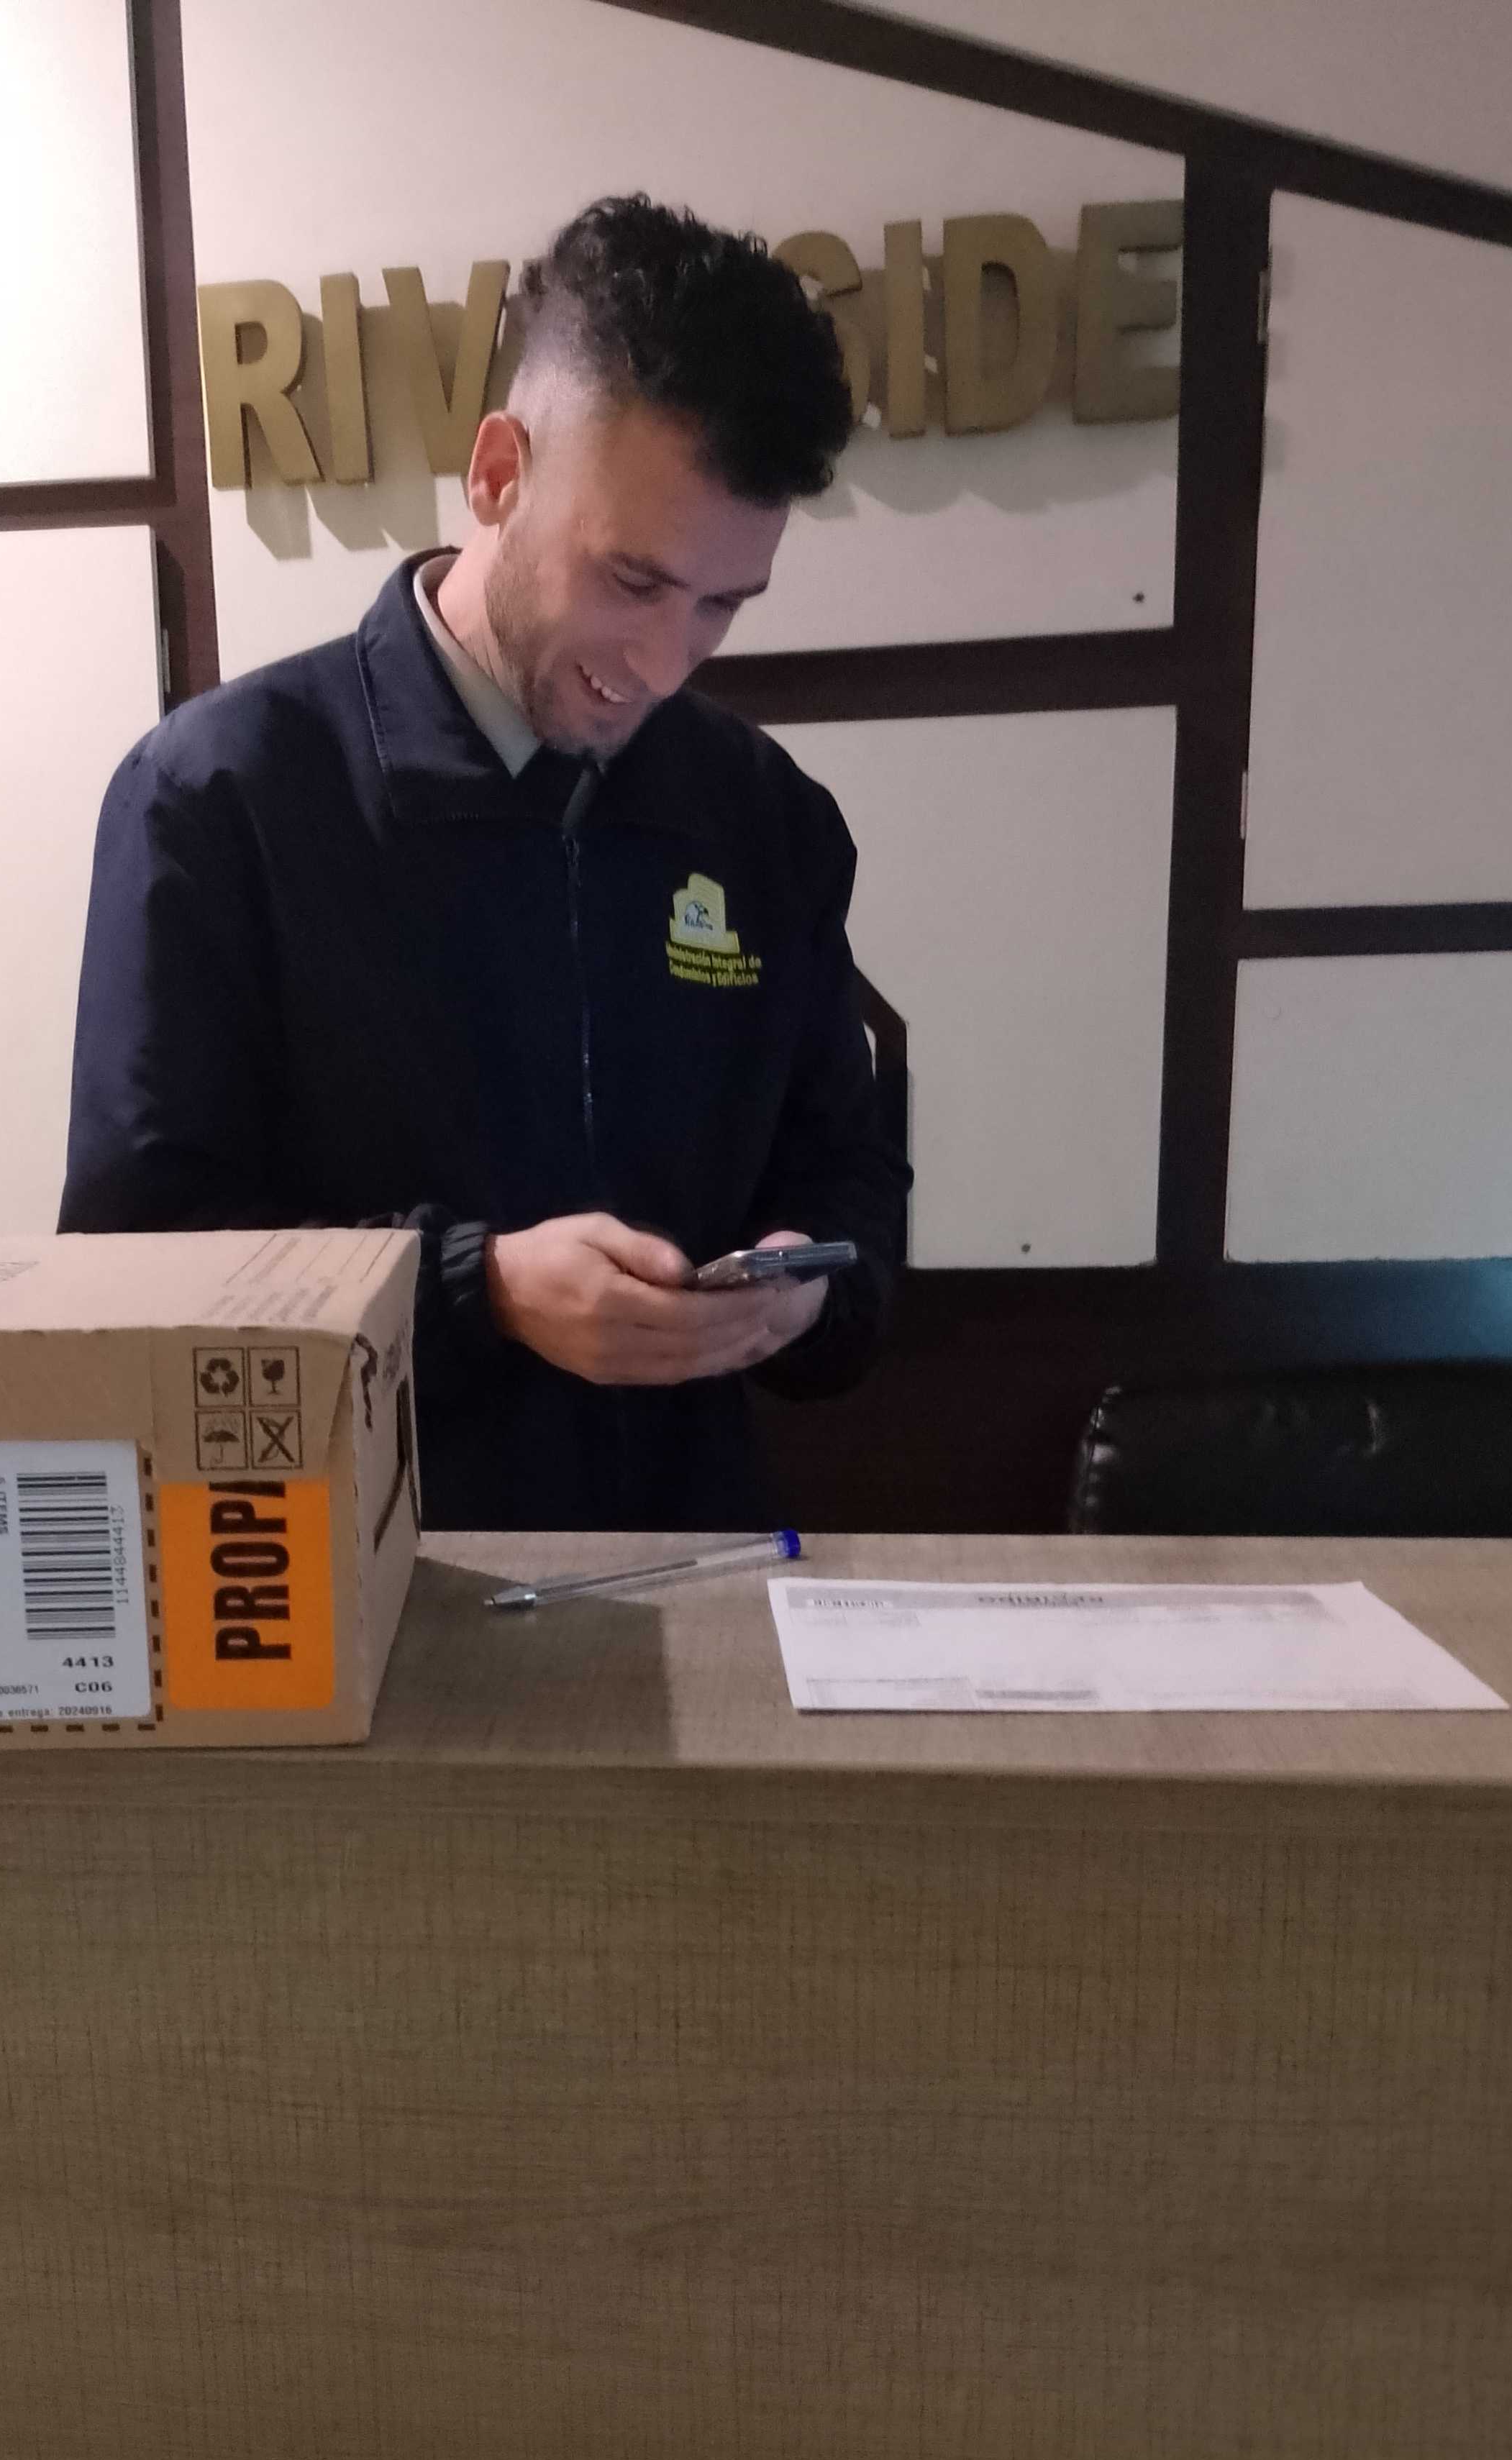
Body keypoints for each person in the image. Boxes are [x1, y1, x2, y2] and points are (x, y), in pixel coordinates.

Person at [63, 194, 908, 1528]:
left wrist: (808, 1283)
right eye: (633, 582)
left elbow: (852, 1178)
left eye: (722, 605)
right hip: (358, 1589)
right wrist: (484, 1289)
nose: (666, 664)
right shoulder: (221, 797)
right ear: (500, 474)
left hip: (704, 1570)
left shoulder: (765, 819)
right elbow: (135, 1271)